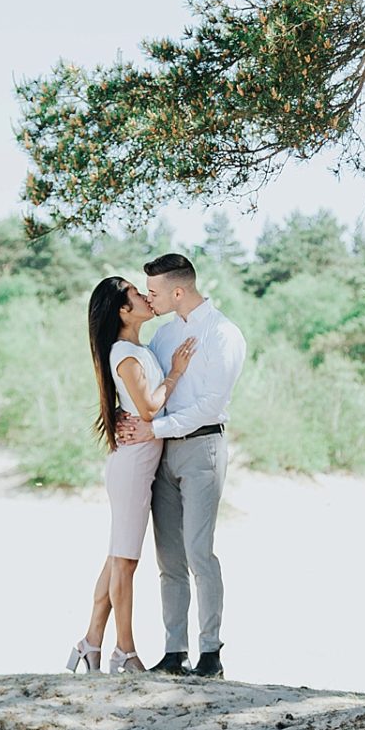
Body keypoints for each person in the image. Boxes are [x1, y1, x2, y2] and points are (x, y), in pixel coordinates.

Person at [115, 253, 248, 678]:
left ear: (177, 291)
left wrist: (156, 429)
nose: (148, 299)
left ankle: (211, 652)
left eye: (152, 292)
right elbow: (147, 388)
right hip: (162, 456)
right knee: (168, 558)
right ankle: (175, 652)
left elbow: (211, 404)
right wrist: (125, 415)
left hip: (202, 449)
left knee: (198, 552)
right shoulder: (163, 337)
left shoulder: (224, 334)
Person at [66, 276, 195, 675]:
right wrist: (175, 372)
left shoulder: (136, 349)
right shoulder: (125, 352)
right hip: (134, 465)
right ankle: (125, 651)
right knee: (125, 562)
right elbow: (150, 409)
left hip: (139, 461)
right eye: (136, 294)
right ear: (124, 310)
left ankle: (90, 642)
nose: (144, 295)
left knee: (116, 558)